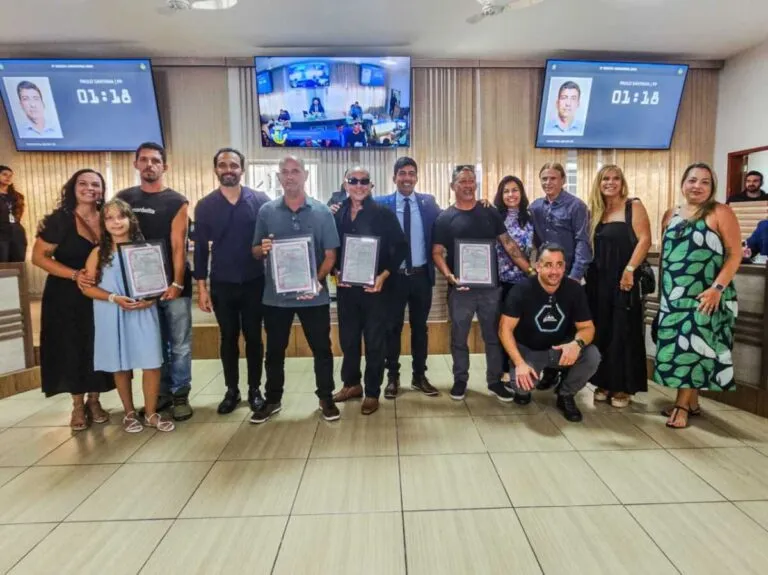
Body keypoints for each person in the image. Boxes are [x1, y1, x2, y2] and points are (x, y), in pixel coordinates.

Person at [433, 165, 535, 402]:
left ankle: (494, 382)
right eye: (462, 181)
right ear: (453, 186)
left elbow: (508, 244)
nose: (468, 185)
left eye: (471, 180)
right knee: (459, 338)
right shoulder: (445, 218)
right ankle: (460, 380)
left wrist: (530, 271)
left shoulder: (490, 212)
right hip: (461, 290)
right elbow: (437, 252)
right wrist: (449, 276)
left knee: (493, 337)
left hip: (491, 289)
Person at [251, 155, 341, 423]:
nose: (290, 176)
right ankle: (273, 399)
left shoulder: (322, 212)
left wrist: (316, 281)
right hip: (276, 298)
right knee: (274, 351)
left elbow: (330, 255)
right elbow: (255, 250)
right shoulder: (266, 211)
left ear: (305, 175)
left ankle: (326, 397)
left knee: (322, 349)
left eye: (295, 171)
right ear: (279, 177)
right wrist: (262, 249)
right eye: (285, 172)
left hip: (313, 296)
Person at [108, 142, 193, 421]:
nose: (149, 165)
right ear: (136, 164)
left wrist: (176, 283)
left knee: (179, 343)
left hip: (173, 287)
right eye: (144, 160)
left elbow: (179, 246)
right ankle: (161, 393)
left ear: (164, 166)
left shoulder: (176, 201)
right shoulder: (124, 198)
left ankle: (180, 394)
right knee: (154, 343)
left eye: (155, 160)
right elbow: (114, 239)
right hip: (139, 288)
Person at [656, 163, 741, 429]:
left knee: (693, 348)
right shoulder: (670, 214)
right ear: (683, 183)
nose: (697, 186)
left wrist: (717, 289)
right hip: (674, 294)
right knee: (678, 347)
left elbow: (734, 254)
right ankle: (691, 403)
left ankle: (681, 406)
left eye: (705, 182)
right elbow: (667, 256)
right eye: (692, 180)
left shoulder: (720, 212)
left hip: (706, 294)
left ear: (712, 187)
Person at [31, 169, 114, 430]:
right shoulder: (60, 220)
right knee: (72, 346)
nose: (90, 188)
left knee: (98, 345)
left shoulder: (108, 218)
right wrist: (75, 275)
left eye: (96, 184)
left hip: (100, 293)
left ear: (102, 190)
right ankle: (77, 405)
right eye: (83, 183)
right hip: (66, 294)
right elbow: (38, 257)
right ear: (73, 188)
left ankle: (94, 400)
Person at [81, 199, 173, 433]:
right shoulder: (98, 253)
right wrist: (113, 298)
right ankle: (129, 413)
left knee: (152, 362)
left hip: (143, 310)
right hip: (112, 312)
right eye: (109, 218)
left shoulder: (146, 250)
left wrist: (151, 298)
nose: (116, 222)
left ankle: (151, 413)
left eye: (120, 216)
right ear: (103, 223)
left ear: (131, 219)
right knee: (120, 363)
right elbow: (87, 288)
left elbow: (158, 282)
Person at [194, 148, 271, 416]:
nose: (229, 170)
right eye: (223, 165)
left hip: (254, 280)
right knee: (228, 338)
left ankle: (254, 389)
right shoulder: (205, 205)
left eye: (234, 165)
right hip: (222, 283)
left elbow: (271, 239)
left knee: (254, 337)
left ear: (242, 169)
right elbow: (200, 249)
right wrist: (202, 288)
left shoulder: (260, 200)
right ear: (216, 169)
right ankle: (231, 390)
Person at [332, 166, 407, 414]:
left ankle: (372, 392)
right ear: (345, 184)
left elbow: (401, 248)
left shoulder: (383, 214)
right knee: (348, 340)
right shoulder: (336, 213)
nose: (359, 185)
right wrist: (335, 271)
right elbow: (330, 248)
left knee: (375, 342)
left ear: (371, 185)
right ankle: (352, 384)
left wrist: (384, 275)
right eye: (353, 181)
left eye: (364, 181)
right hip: (346, 290)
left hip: (376, 291)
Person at [499, 243, 600, 422]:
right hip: (529, 351)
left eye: (559, 265)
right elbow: (504, 329)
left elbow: (588, 328)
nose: (554, 271)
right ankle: (528, 381)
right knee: (521, 389)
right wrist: (519, 363)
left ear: (564, 267)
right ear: (538, 266)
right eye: (548, 265)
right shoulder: (521, 290)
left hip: (561, 351)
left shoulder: (574, 289)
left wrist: (576, 344)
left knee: (592, 355)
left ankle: (566, 394)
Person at [374, 157, 442, 399]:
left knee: (420, 329)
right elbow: (355, 207)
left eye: (411, 173)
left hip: (421, 276)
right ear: (394, 177)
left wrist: (482, 204)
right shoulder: (380, 204)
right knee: (391, 328)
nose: (407, 178)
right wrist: (335, 206)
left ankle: (419, 376)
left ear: (416, 177)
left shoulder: (428, 203)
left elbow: (449, 219)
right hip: (393, 277)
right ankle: (393, 377)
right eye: (402, 173)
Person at [585, 165, 651, 408]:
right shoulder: (595, 210)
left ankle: (623, 386)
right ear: (599, 182)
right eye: (605, 178)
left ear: (622, 183)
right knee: (603, 330)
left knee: (623, 331)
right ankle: (604, 382)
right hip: (598, 281)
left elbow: (645, 240)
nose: (610, 182)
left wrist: (630, 270)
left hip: (624, 279)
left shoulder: (633, 206)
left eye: (615, 178)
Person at [529, 162, 592, 389]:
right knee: (546, 322)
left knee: (568, 327)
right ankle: (549, 370)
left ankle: (567, 377)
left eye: (553, 178)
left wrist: (574, 277)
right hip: (544, 276)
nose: (548, 183)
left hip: (568, 276)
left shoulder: (576, 206)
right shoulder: (535, 207)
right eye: (544, 179)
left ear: (563, 180)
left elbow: (583, 243)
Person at [492, 175, 535, 404]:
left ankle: (522, 371)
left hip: (525, 283)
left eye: (515, 190)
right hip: (501, 282)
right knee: (502, 329)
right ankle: (504, 372)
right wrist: (531, 271)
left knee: (522, 331)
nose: (511, 195)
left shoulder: (530, 216)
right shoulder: (495, 217)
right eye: (506, 191)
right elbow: (509, 248)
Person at [0, 166, 27, 262]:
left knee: (18, 263)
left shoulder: (18, 196)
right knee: (2, 264)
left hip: (17, 232)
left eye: (10, 175)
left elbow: (19, 214)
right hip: (1, 232)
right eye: (4, 174)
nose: (8, 177)